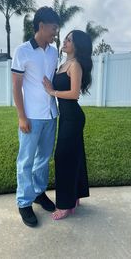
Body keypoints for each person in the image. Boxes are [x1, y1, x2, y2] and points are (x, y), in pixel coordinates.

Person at [11, 6, 60, 227]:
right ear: (41, 26)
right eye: (53, 28)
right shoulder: (22, 51)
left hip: (51, 115)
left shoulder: (53, 51)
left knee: (43, 159)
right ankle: (24, 202)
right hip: (31, 116)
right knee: (26, 161)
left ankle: (39, 193)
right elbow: (16, 86)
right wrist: (22, 117)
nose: (56, 33)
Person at [43, 30, 93, 220]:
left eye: (69, 40)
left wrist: (52, 91)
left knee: (63, 156)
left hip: (72, 116)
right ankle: (75, 196)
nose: (64, 41)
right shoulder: (63, 64)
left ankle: (65, 204)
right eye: (65, 38)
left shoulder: (75, 65)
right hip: (66, 116)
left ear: (77, 45)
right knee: (74, 155)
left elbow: (74, 94)